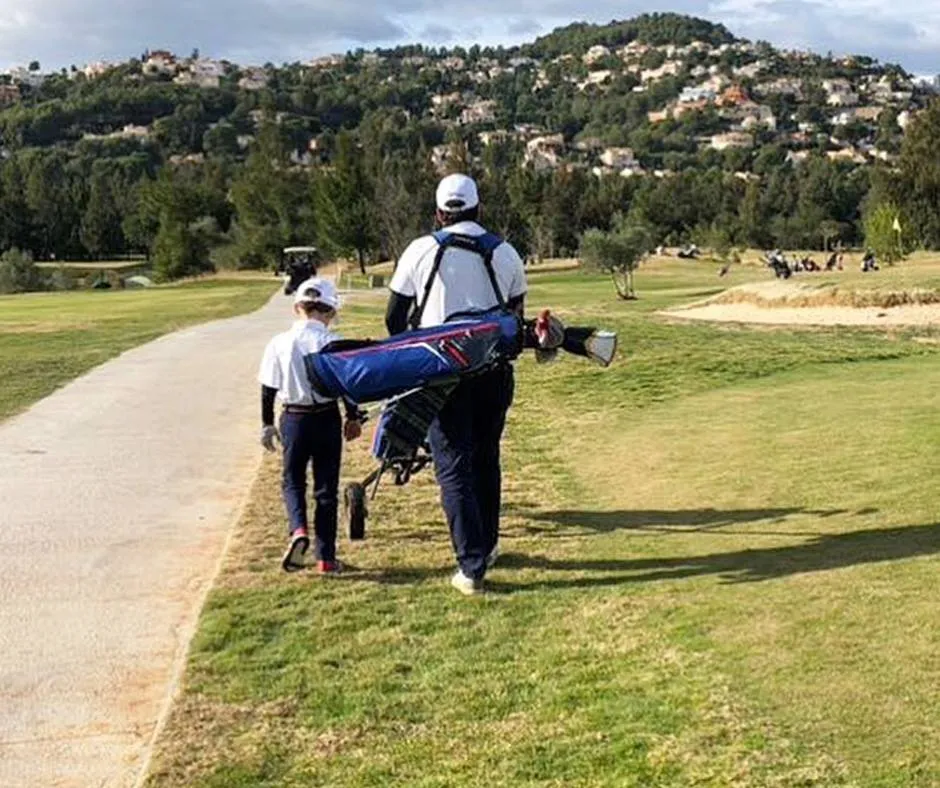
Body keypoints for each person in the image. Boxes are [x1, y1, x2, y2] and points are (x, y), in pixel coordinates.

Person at [385, 173, 527, 595]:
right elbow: (516, 318)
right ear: (479, 209)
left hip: (439, 373)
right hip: (493, 372)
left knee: (453, 466)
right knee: (486, 457)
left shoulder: (420, 250)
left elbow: (395, 318)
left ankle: (471, 565)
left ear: (438, 213)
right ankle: (489, 543)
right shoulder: (505, 252)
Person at [258, 277, 363, 574]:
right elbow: (345, 386)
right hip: (327, 417)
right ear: (330, 311)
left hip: (293, 417)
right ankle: (326, 558)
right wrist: (352, 417)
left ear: (297, 308)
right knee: (326, 489)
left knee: (292, 480)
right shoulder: (332, 342)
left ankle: (298, 530)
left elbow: (268, 389)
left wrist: (267, 424)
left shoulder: (278, 343)